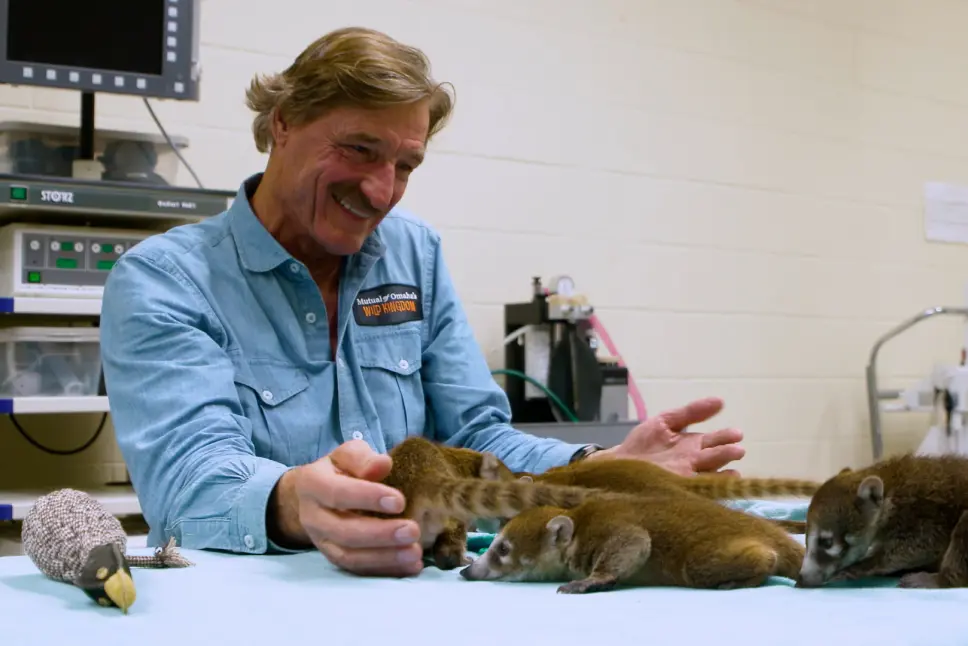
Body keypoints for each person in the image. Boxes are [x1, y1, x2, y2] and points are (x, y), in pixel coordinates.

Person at [98, 26, 745, 579]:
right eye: (360, 150)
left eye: (406, 166)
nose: (382, 192)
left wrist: (600, 467)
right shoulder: (165, 281)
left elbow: (475, 437)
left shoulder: (415, 255)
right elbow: (188, 484)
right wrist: (297, 502)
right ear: (282, 124)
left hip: (417, 598)